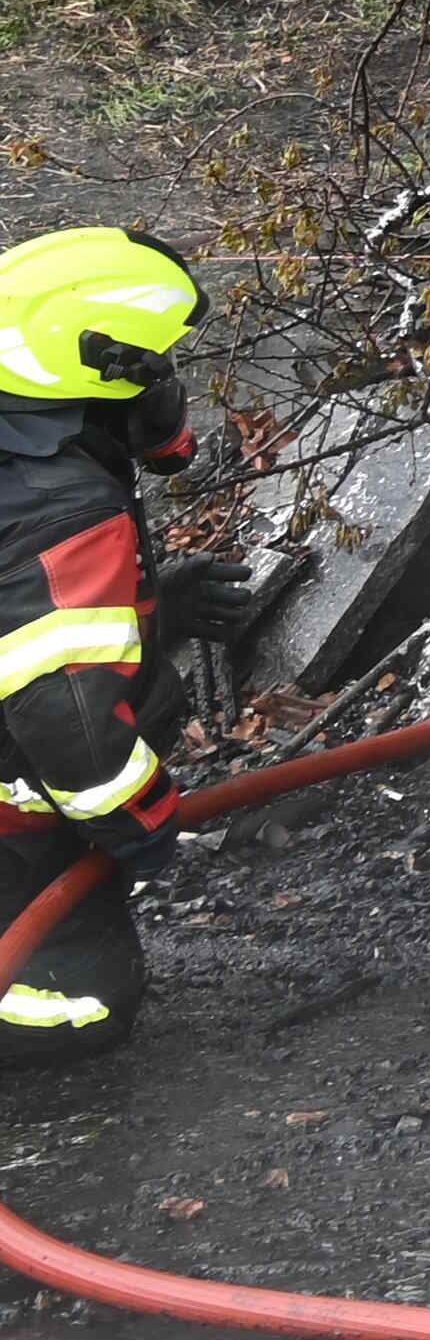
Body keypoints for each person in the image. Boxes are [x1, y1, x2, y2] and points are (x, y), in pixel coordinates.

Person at [0, 229, 218, 1057]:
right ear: (99, 368)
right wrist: (146, 822)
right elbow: (70, 728)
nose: (167, 389)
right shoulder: (63, 508)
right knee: (85, 1001)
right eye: (154, 367)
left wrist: (156, 610)